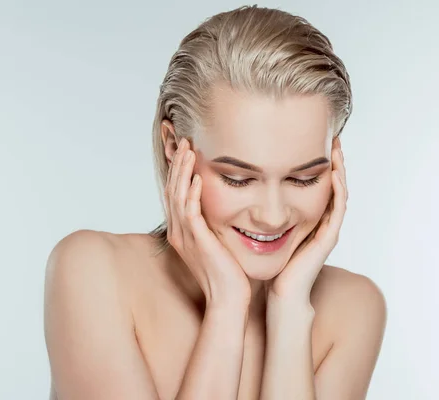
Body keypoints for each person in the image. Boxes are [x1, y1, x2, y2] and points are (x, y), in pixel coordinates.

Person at [44, 5, 387, 400]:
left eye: (303, 177)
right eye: (238, 179)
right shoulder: (94, 271)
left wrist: (290, 313)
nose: (272, 216)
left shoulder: (354, 309)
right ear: (174, 148)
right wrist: (226, 307)